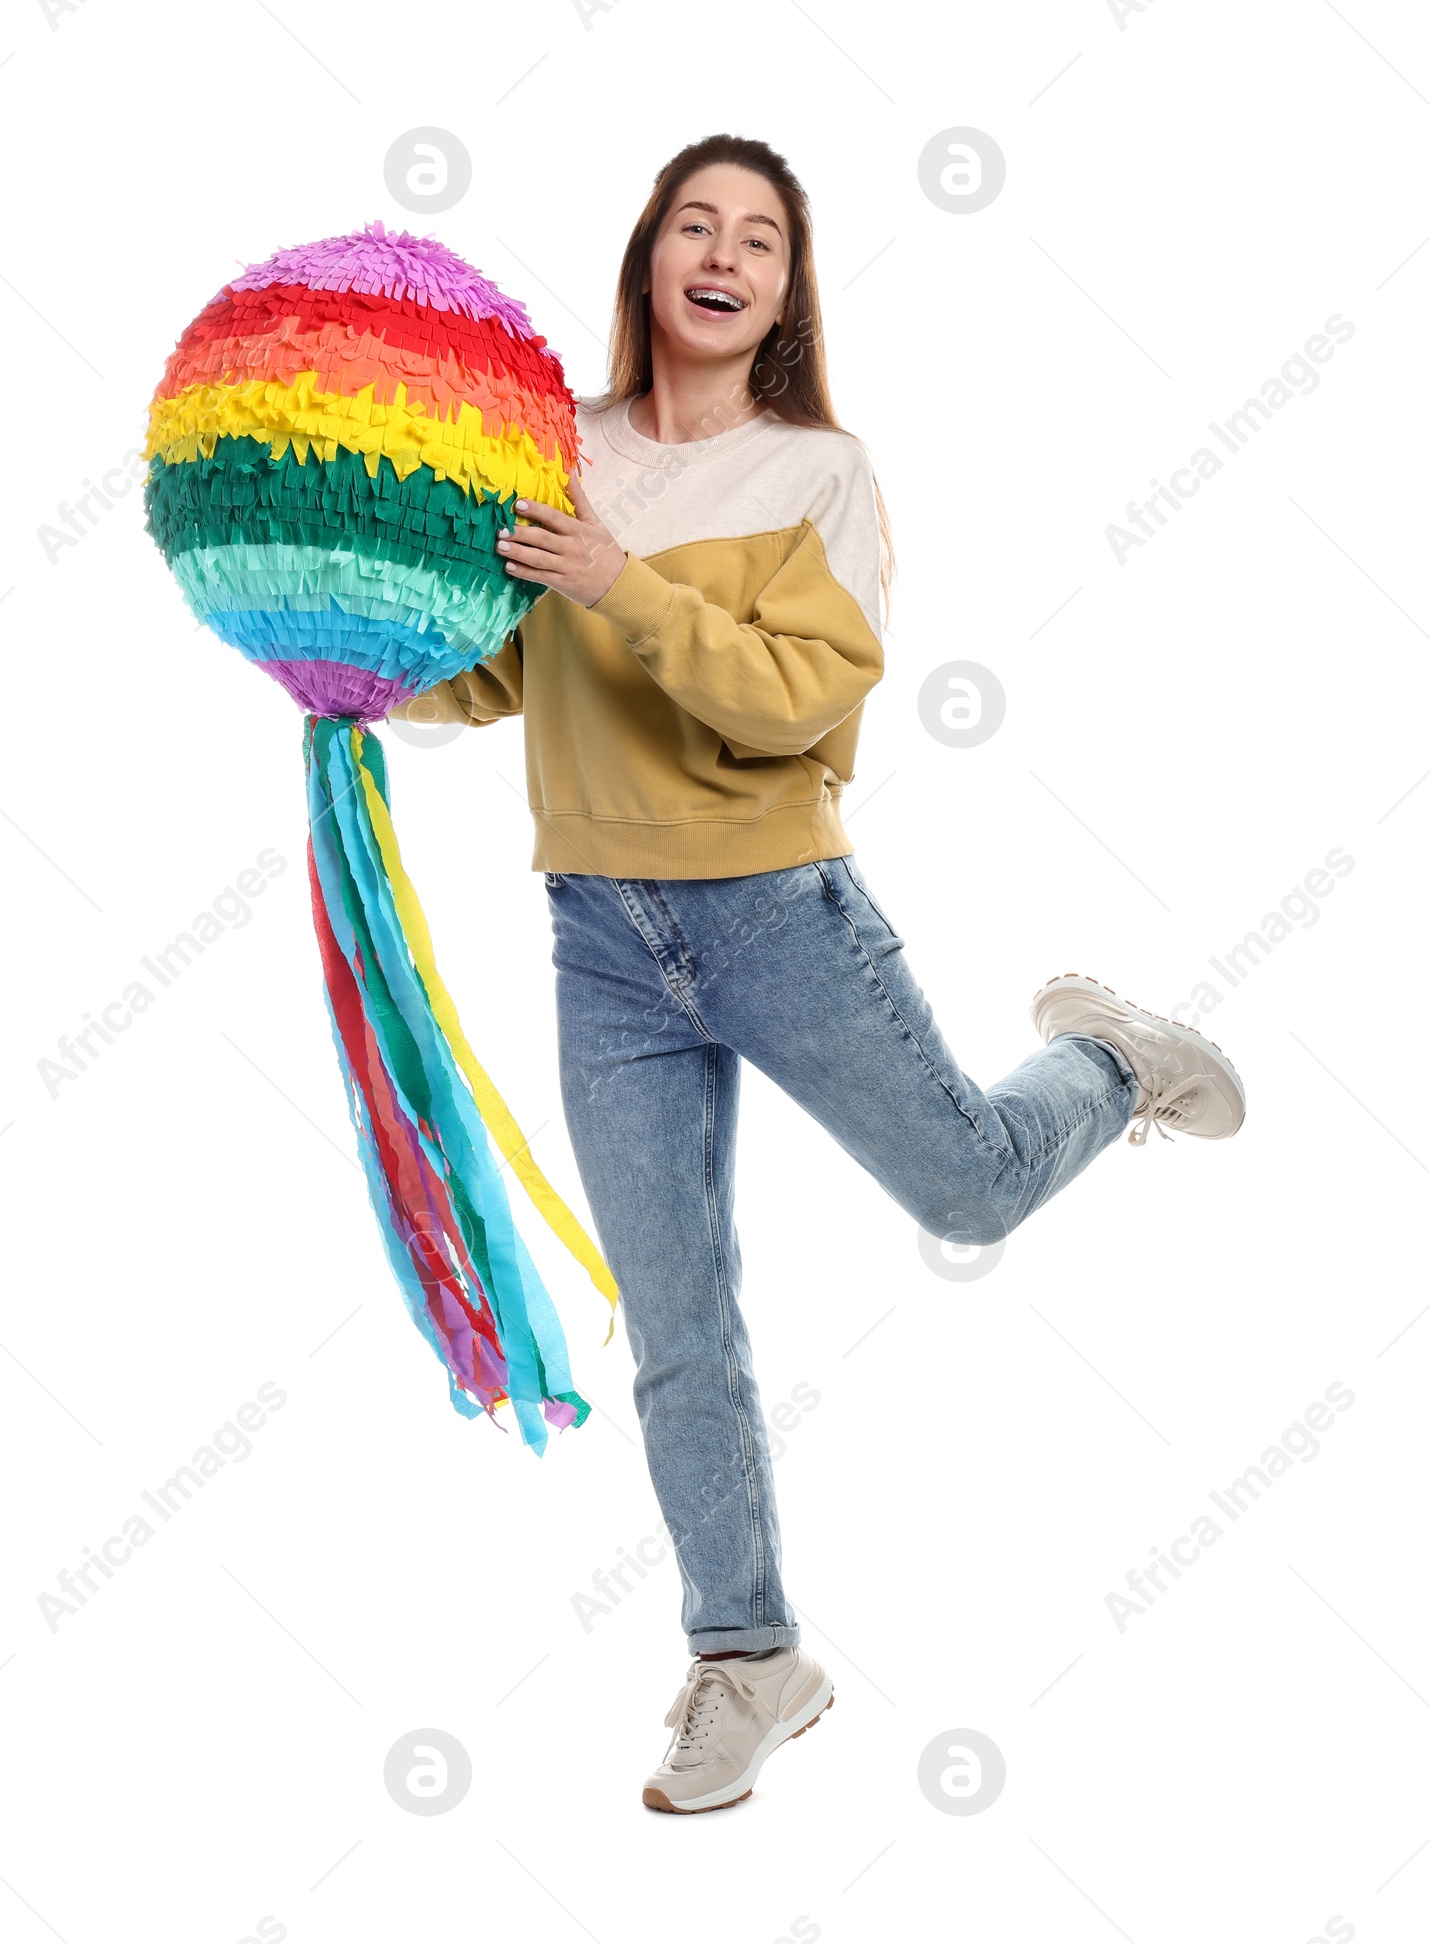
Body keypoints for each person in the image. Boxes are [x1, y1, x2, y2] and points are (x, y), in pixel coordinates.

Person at [389, 132, 1245, 1815]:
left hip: (778, 911)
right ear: (648, 258)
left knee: (974, 1195)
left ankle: (1114, 1062)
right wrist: (360, 668)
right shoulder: (552, 449)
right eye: (692, 225)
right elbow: (506, 683)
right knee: (679, 1321)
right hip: (600, 939)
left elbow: (793, 704)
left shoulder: (819, 474)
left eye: (758, 239)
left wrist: (620, 580)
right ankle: (746, 1660)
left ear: (785, 292)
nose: (720, 253)